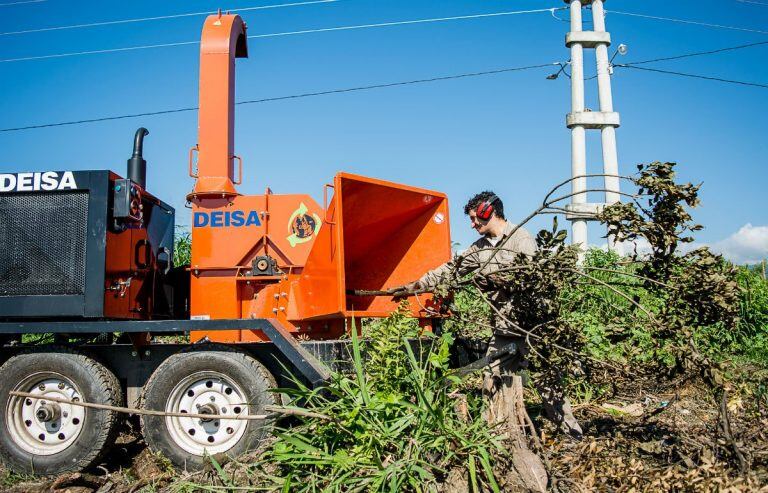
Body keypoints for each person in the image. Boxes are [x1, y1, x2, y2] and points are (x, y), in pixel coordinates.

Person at [400, 191, 582, 436]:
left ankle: (571, 432)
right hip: (504, 328)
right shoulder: (479, 249)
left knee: (548, 384)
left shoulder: (521, 239)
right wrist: (416, 286)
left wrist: (498, 283)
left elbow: (530, 281)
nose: (473, 224)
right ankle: (495, 434)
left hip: (532, 327)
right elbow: (451, 270)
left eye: (475, 218)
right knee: (492, 379)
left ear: (489, 212)